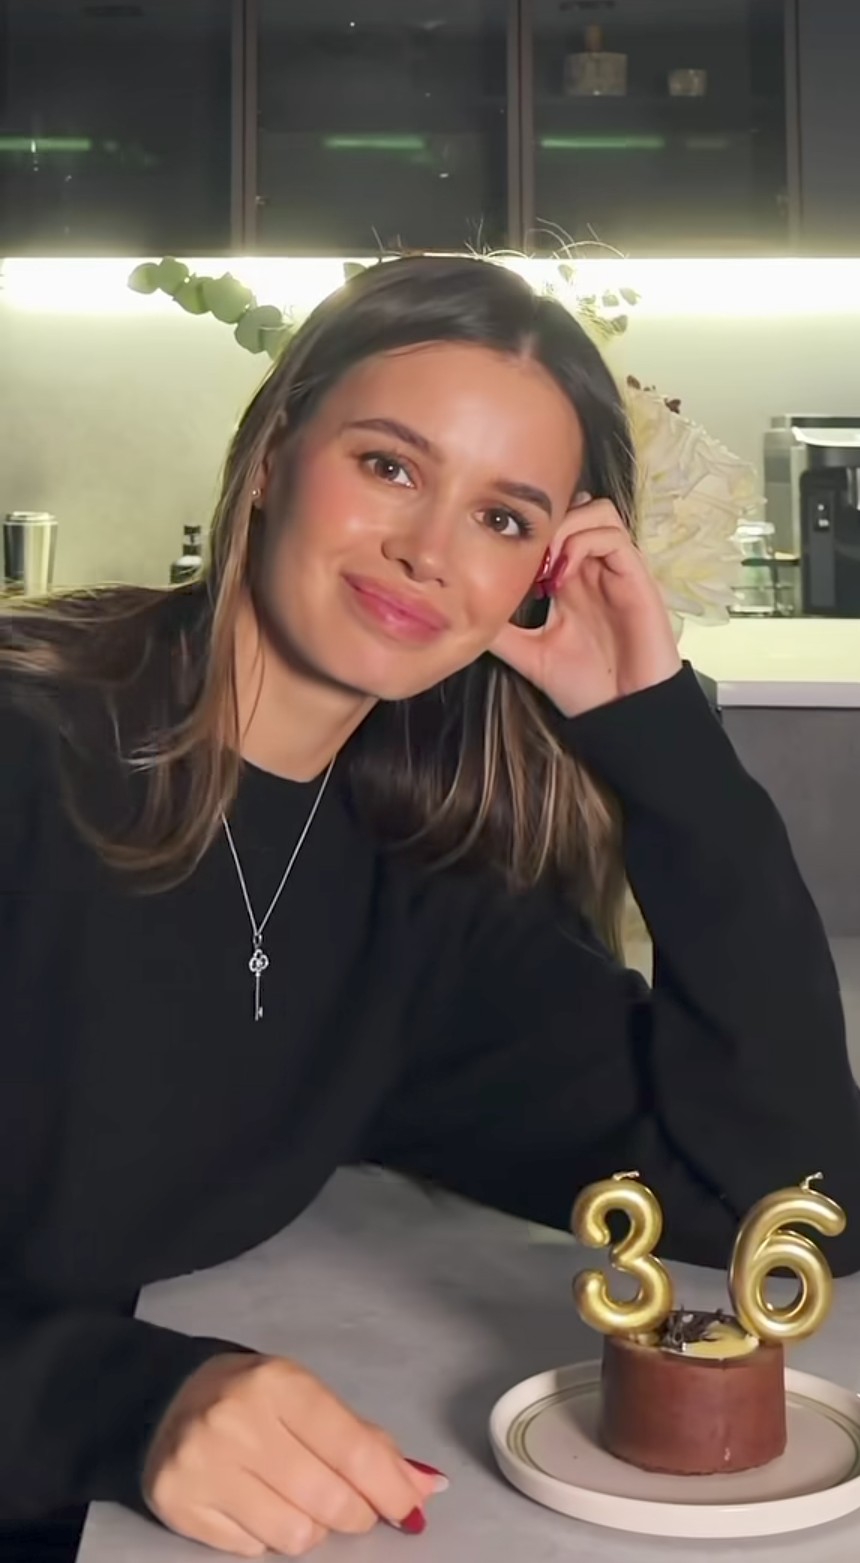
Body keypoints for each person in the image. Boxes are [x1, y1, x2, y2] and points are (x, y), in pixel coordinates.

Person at [0, 254, 858, 1563]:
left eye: (504, 518)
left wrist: (653, 731)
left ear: (539, 577)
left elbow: (788, 1208)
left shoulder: (424, 887)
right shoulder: (25, 758)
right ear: (273, 456)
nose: (430, 549)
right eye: (390, 466)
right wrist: (110, 1404)